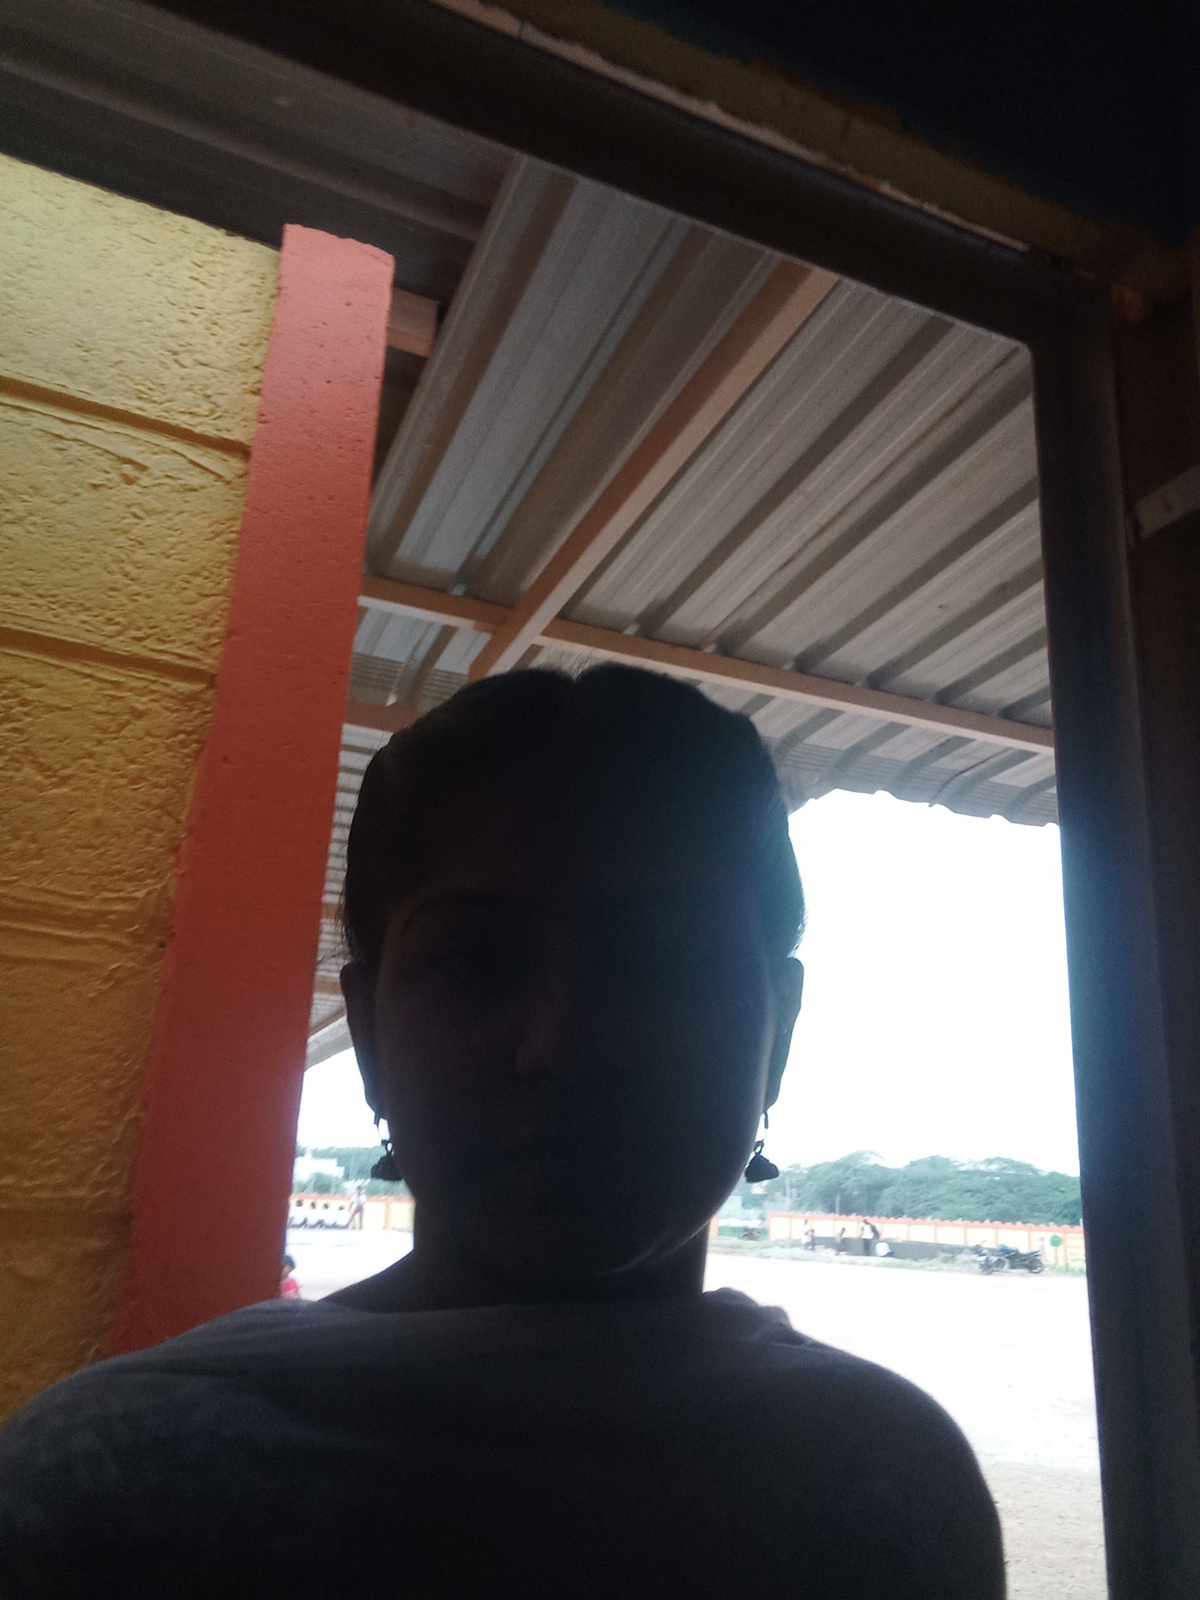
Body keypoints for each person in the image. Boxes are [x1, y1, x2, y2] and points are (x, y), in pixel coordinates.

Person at [0, 666, 1001, 1597]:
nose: (559, 1043)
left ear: (778, 1033)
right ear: (372, 1036)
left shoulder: (890, 1489)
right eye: (475, 962)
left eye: (660, 962)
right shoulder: (108, 1492)